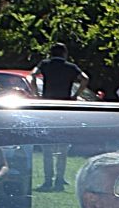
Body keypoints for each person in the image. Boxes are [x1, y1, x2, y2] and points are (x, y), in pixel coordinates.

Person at [32, 44, 84, 190]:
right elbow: (85, 79)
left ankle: (48, 179)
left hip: (48, 108)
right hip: (65, 109)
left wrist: (37, 94)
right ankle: (60, 179)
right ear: (65, 53)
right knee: (63, 146)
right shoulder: (71, 67)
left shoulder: (45, 65)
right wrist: (75, 95)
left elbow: (32, 75)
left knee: (47, 147)